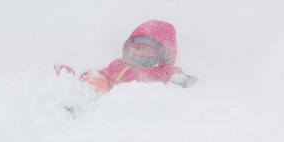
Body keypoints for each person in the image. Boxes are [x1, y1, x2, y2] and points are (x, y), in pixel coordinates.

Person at [57, 20, 196, 94]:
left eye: (147, 50)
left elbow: (186, 87)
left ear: (165, 55)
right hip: (114, 116)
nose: (140, 53)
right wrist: (95, 80)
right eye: (137, 48)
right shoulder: (119, 67)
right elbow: (103, 75)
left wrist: (185, 83)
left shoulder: (168, 73)